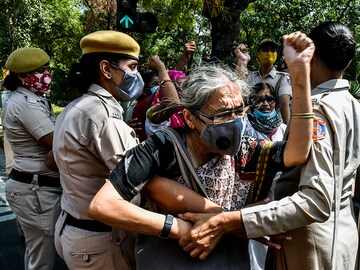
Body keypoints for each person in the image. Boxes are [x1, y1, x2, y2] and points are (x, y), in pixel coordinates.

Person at [87, 32, 314, 269]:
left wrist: (300, 77)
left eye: (239, 111)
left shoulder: (246, 152)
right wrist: (181, 227)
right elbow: (103, 205)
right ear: (190, 118)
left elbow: (296, 152)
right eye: (223, 114)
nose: (235, 121)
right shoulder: (164, 148)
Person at [177, 22, 359, 270]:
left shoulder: (316, 111)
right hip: (344, 237)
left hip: (306, 243)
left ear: (311, 54)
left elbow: (316, 200)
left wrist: (231, 220)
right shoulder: (353, 106)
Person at [52, 30, 143, 270]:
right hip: (100, 242)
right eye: (132, 67)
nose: (136, 75)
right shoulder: (101, 116)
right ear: (106, 69)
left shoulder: (77, 107)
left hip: (77, 231)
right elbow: (140, 178)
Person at [2, 47, 62, 270]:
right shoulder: (25, 103)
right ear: (23, 76)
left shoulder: (31, 100)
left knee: (37, 254)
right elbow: (57, 142)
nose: (47, 75)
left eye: (46, 69)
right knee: (41, 261)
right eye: (41, 70)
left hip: (36, 187)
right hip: (36, 191)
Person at [235, 38, 292, 124]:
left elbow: (284, 104)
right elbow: (238, 94)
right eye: (265, 50)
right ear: (258, 54)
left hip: (275, 127)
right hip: (253, 126)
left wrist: (286, 132)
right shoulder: (250, 77)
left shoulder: (282, 78)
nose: (269, 53)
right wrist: (242, 61)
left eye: (273, 50)